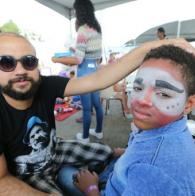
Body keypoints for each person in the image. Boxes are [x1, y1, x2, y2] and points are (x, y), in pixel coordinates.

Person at [0, 32, 193, 195]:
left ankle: (110, 156)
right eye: (6, 62)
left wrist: (159, 45)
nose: (20, 71)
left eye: (28, 61)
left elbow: (99, 79)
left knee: (105, 151)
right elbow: (2, 180)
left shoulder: (44, 84)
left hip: (54, 151)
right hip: (27, 173)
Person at [74, 45, 195, 196]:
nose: (141, 101)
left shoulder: (153, 171)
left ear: (188, 104)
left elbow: (152, 165)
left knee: (65, 173)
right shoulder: (162, 128)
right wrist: (127, 152)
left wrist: (91, 188)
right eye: (138, 88)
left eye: (163, 94)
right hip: (116, 173)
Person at [52, 0, 104, 142]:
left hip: (85, 72)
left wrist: (58, 60)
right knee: (97, 104)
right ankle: (99, 131)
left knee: (86, 108)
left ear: (80, 11)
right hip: (95, 70)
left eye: (75, 10)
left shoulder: (82, 30)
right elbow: (94, 53)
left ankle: (85, 137)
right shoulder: (96, 28)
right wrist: (76, 50)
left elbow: (79, 60)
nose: (74, 13)